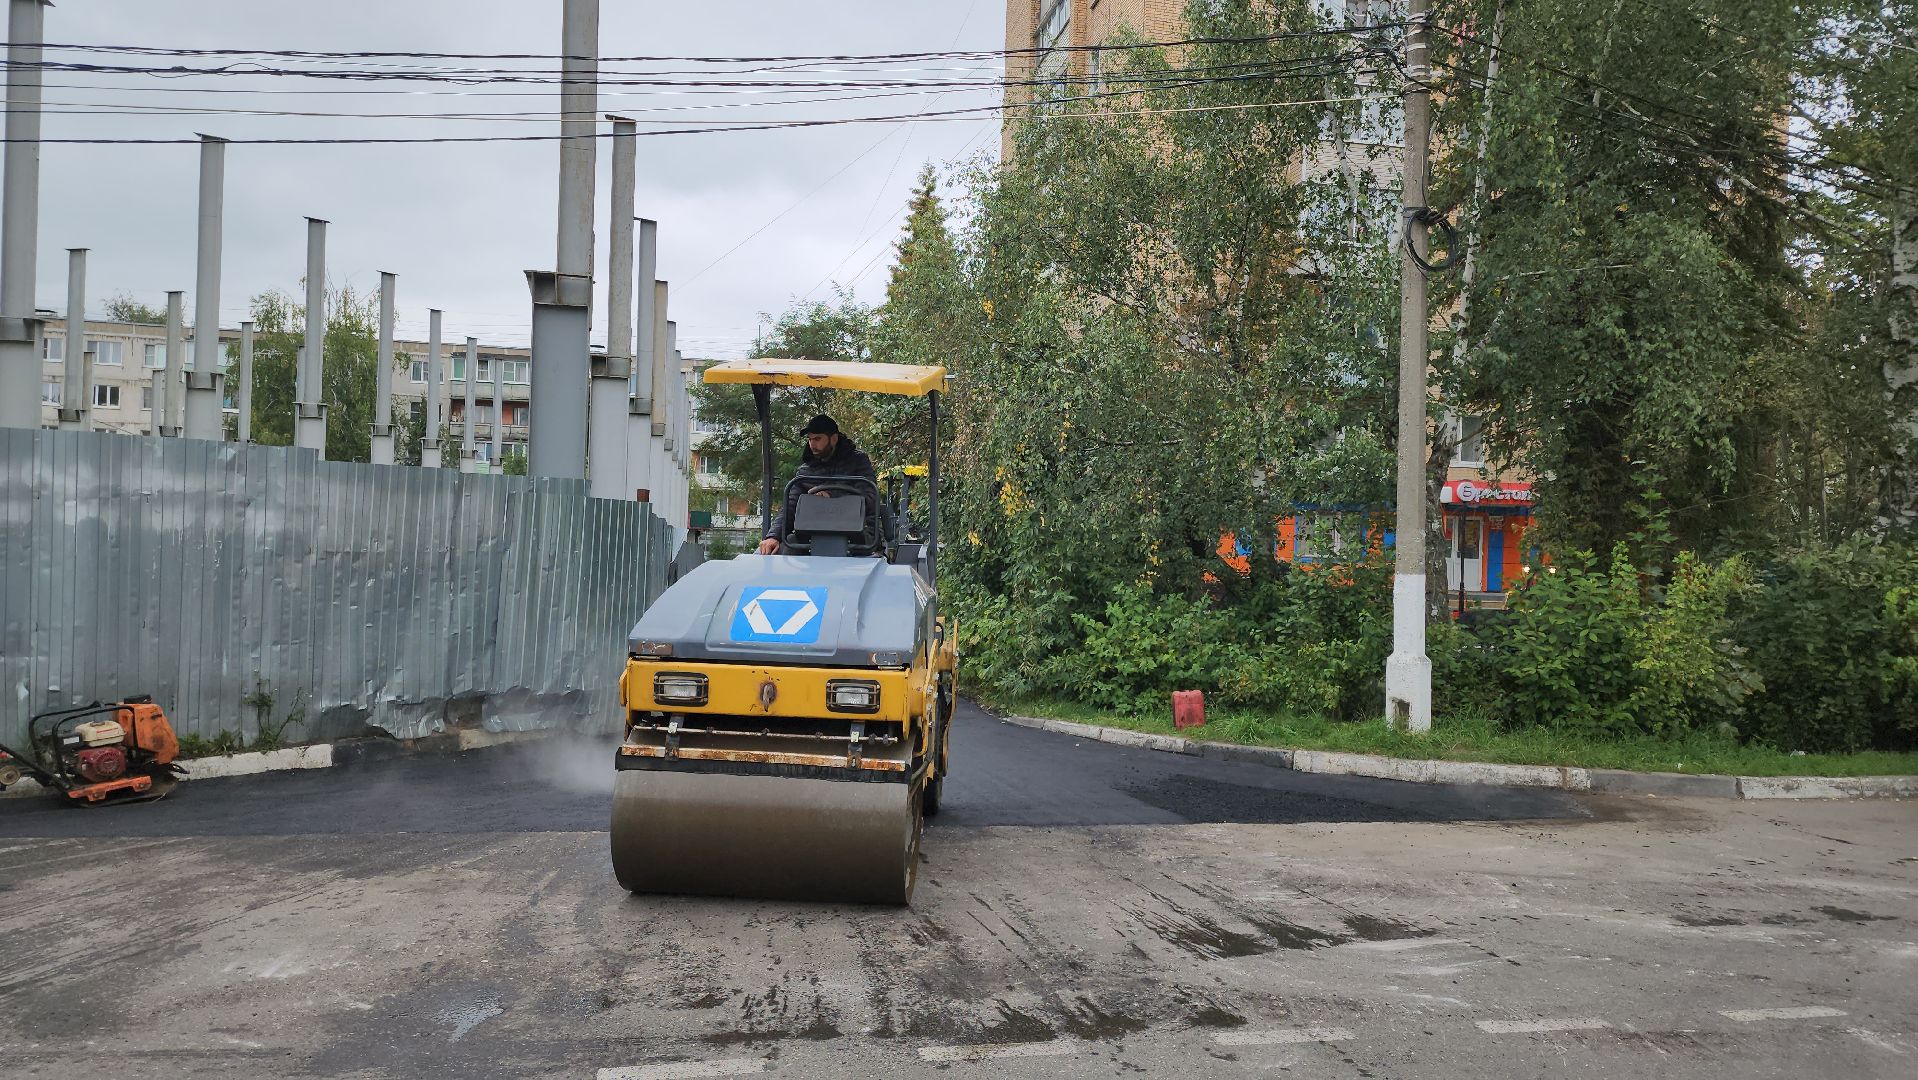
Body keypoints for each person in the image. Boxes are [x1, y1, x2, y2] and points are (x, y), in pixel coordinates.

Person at [757, 414, 878, 555]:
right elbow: (791, 505)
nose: (812, 444)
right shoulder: (805, 470)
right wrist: (774, 536)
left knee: (863, 554)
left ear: (833, 439)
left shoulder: (858, 461)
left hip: (856, 532)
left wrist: (831, 498)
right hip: (811, 533)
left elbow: (870, 496)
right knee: (785, 548)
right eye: (810, 439)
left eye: (817, 439)